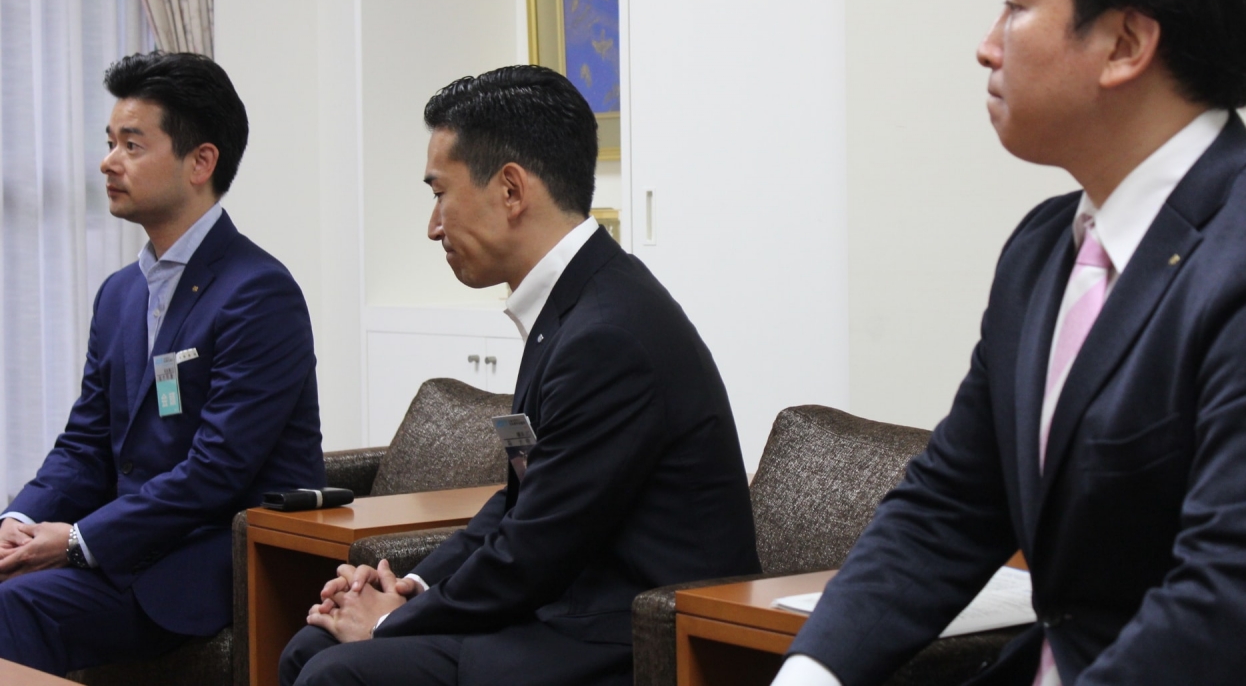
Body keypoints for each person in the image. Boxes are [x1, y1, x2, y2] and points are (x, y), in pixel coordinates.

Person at [777, 0, 1246, 686]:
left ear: (1125, 43)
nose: (986, 46)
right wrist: (810, 675)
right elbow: (949, 506)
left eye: (1015, 5)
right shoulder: (1043, 249)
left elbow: (1235, 598)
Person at [279, 65, 759, 686]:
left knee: (337, 672)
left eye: (439, 194)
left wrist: (391, 620)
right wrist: (414, 584)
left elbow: (533, 551)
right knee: (310, 647)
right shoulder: (575, 303)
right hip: (558, 607)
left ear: (510, 190)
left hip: (618, 638)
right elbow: (520, 502)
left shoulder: (608, 335)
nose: (433, 225)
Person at [0, 51, 325, 675]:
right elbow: (85, 444)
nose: (108, 162)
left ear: (200, 162)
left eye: (131, 145)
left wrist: (77, 541)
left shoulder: (258, 292)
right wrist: (20, 519)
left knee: (12, 608)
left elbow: (217, 470)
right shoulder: (120, 293)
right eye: (109, 143)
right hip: (124, 548)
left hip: (201, 560)